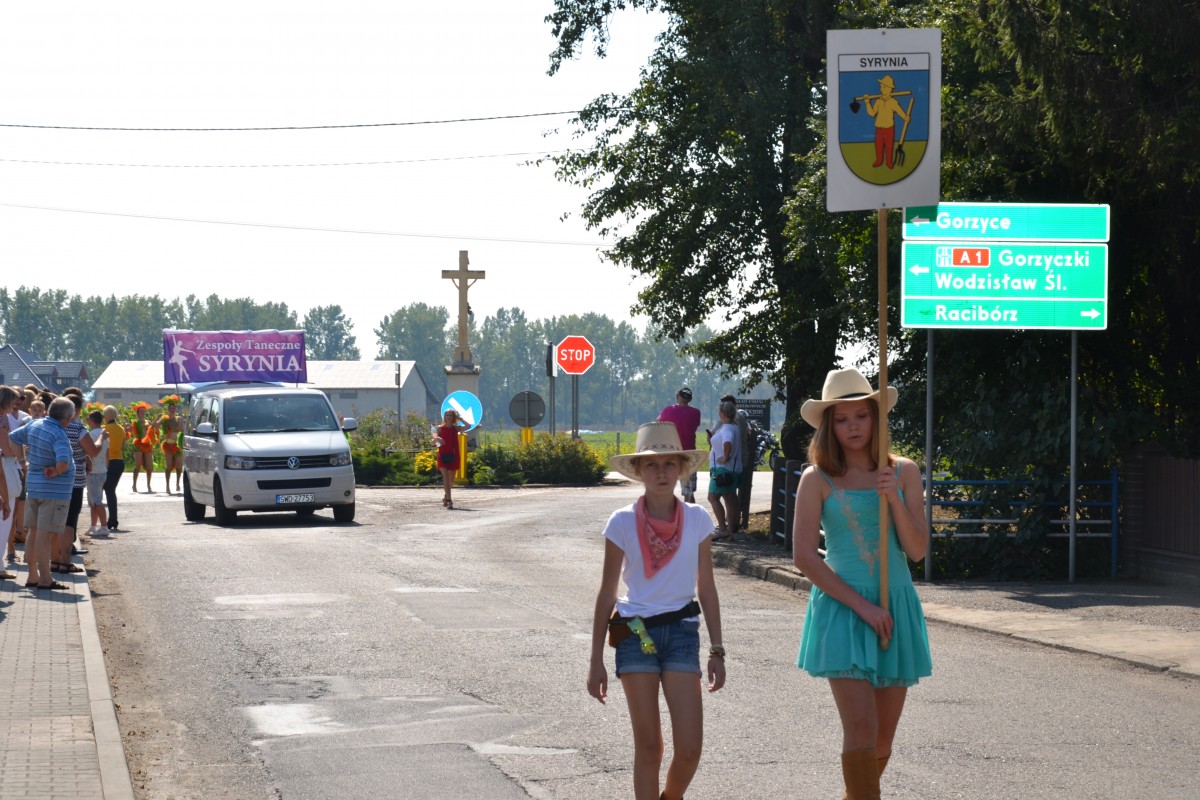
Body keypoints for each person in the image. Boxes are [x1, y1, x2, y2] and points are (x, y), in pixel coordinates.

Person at [792, 368, 932, 799]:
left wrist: (893, 498)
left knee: (882, 740)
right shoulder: (816, 478)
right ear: (829, 426)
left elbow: (917, 551)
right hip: (844, 609)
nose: (852, 426)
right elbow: (803, 557)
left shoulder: (903, 471)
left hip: (896, 606)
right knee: (861, 728)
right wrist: (863, 607)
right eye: (841, 419)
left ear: (875, 418)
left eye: (861, 416)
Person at [588, 421, 725, 800]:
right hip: (635, 634)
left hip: (681, 634)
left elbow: (707, 588)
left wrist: (717, 649)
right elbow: (607, 593)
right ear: (638, 470)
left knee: (690, 749)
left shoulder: (698, 520)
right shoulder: (621, 522)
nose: (661, 472)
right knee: (649, 747)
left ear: (681, 469)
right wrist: (595, 661)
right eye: (651, 464)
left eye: (669, 464)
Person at [9, 396, 76, 591]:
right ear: (67, 418)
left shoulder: (35, 424)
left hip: (34, 487)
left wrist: (23, 461)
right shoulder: (59, 433)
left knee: (33, 532)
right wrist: (57, 471)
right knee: (44, 535)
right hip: (54, 492)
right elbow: (63, 461)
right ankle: (46, 579)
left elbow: (13, 437)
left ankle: (33, 576)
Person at [657, 387, 702, 503]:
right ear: (690, 399)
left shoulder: (668, 410)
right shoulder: (696, 413)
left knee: (666, 486)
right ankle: (691, 512)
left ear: (677, 397)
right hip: (690, 453)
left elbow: (658, 423)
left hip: (672, 452)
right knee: (689, 490)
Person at [707, 400, 742, 541]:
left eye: (719, 412)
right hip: (730, 468)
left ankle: (722, 529)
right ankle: (730, 531)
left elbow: (727, 443)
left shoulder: (727, 428)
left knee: (712, 497)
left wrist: (725, 458)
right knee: (729, 498)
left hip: (723, 469)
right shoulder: (733, 427)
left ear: (723, 413)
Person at [434, 409, 469, 509]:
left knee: (450, 481)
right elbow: (434, 438)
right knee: (446, 479)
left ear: (453, 417)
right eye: (447, 415)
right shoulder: (440, 428)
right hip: (442, 455)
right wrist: (437, 439)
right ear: (444, 417)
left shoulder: (455, 428)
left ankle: (446, 496)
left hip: (453, 456)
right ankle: (449, 501)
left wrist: (460, 418)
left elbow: (468, 426)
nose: (449, 417)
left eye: (450, 415)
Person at [102, 405, 127, 530]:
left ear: (107, 416)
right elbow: (123, 445)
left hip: (109, 461)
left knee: (107, 490)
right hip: (119, 461)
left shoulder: (104, 429)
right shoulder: (121, 429)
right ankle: (113, 519)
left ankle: (111, 519)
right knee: (111, 490)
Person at [85, 410, 109, 536]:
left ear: (92, 420)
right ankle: (93, 526)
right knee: (93, 500)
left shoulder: (91, 434)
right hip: (102, 469)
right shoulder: (104, 434)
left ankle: (104, 526)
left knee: (97, 501)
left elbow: (89, 451)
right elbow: (107, 454)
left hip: (94, 470)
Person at [158, 395, 184, 493]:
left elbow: (182, 430)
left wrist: (181, 422)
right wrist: (157, 418)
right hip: (168, 445)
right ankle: (167, 485)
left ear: (176, 409)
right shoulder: (165, 419)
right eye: (170, 408)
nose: (172, 410)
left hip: (177, 446)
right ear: (168, 409)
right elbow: (155, 425)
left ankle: (177, 483)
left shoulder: (179, 418)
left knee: (179, 466)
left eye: (174, 408)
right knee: (169, 466)